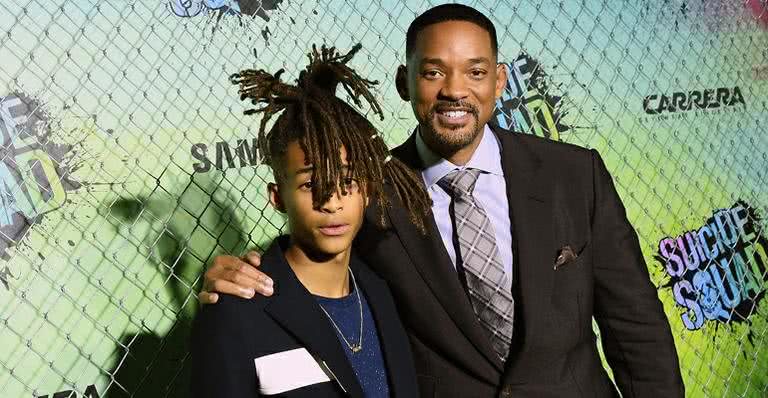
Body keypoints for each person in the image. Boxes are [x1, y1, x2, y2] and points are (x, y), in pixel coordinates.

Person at [198, 4, 685, 397]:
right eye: (433, 72)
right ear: (403, 82)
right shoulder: (371, 191)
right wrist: (242, 273)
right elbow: (318, 257)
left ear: (499, 81)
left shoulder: (574, 175)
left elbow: (634, 326)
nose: (455, 90)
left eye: (475, 72)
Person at [190, 44, 430, 397]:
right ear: (277, 197)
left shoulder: (383, 292)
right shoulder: (236, 311)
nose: (331, 202)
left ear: (367, 189)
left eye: (347, 181)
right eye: (310, 184)